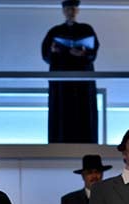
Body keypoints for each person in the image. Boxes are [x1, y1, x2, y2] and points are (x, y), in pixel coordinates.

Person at [41, 0, 100, 144]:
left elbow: (92, 51)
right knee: (62, 113)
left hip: (82, 82)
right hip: (62, 83)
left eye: (73, 9)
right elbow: (46, 54)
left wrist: (82, 53)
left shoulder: (86, 29)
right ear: (63, 11)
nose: (70, 12)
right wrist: (54, 50)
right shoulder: (55, 31)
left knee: (84, 112)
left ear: (77, 11)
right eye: (68, 9)